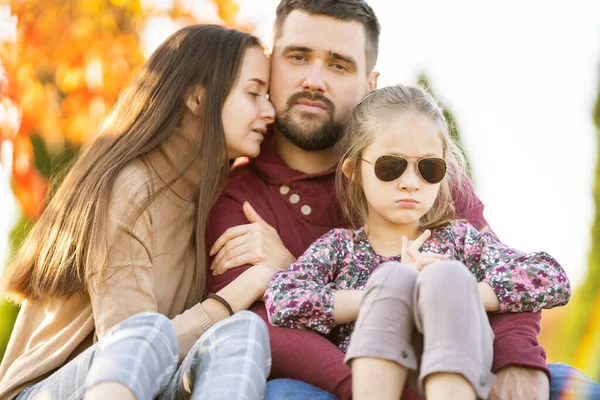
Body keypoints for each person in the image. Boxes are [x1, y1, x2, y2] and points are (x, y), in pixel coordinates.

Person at [205, 1, 600, 399]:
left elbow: (528, 276)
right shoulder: (243, 199)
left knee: (572, 383)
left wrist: (516, 359)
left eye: (339, 65)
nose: (314, 79)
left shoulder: (440, 194)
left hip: (462, 373)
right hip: (345, 384)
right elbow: (269, 317)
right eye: (298, 57)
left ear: (369, 83)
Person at [0, 24, 280, 400]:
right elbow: (129, 343)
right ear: (196, 98)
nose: (270, 111)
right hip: (48, 391)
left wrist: (281, 263)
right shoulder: (128, 186)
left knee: (244, 331)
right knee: (146, 332)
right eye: (254, 93)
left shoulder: (210, 196)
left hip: (145, 384)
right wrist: (247, 285)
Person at [264, 84, 572, 400]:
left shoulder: (459, 241)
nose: (411, 183)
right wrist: (386, 294)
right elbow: (282, 299)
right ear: (355, 170)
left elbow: (549, 277)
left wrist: (452, 291)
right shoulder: (340, 249)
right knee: (394, 279)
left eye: (428, 167)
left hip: (462, 376)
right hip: (377, 380)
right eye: (391, 166)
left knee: (446, 277)